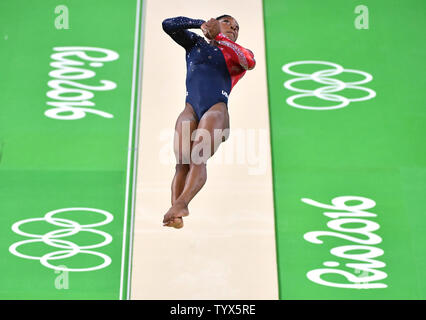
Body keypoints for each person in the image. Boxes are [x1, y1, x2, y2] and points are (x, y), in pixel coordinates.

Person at [161, 15, 256, 228]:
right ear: (214, 23)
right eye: (228, 23)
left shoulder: (235, 52)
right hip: (191, 108)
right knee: (182, 162)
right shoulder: (195, 44)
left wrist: (221, 36)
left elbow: (249, 62)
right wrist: (199, 23)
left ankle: (183, 204)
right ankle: (175, 213)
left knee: (197, 157)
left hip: (217, 110)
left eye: (237, 27)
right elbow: (168, 25)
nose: (233, 27)